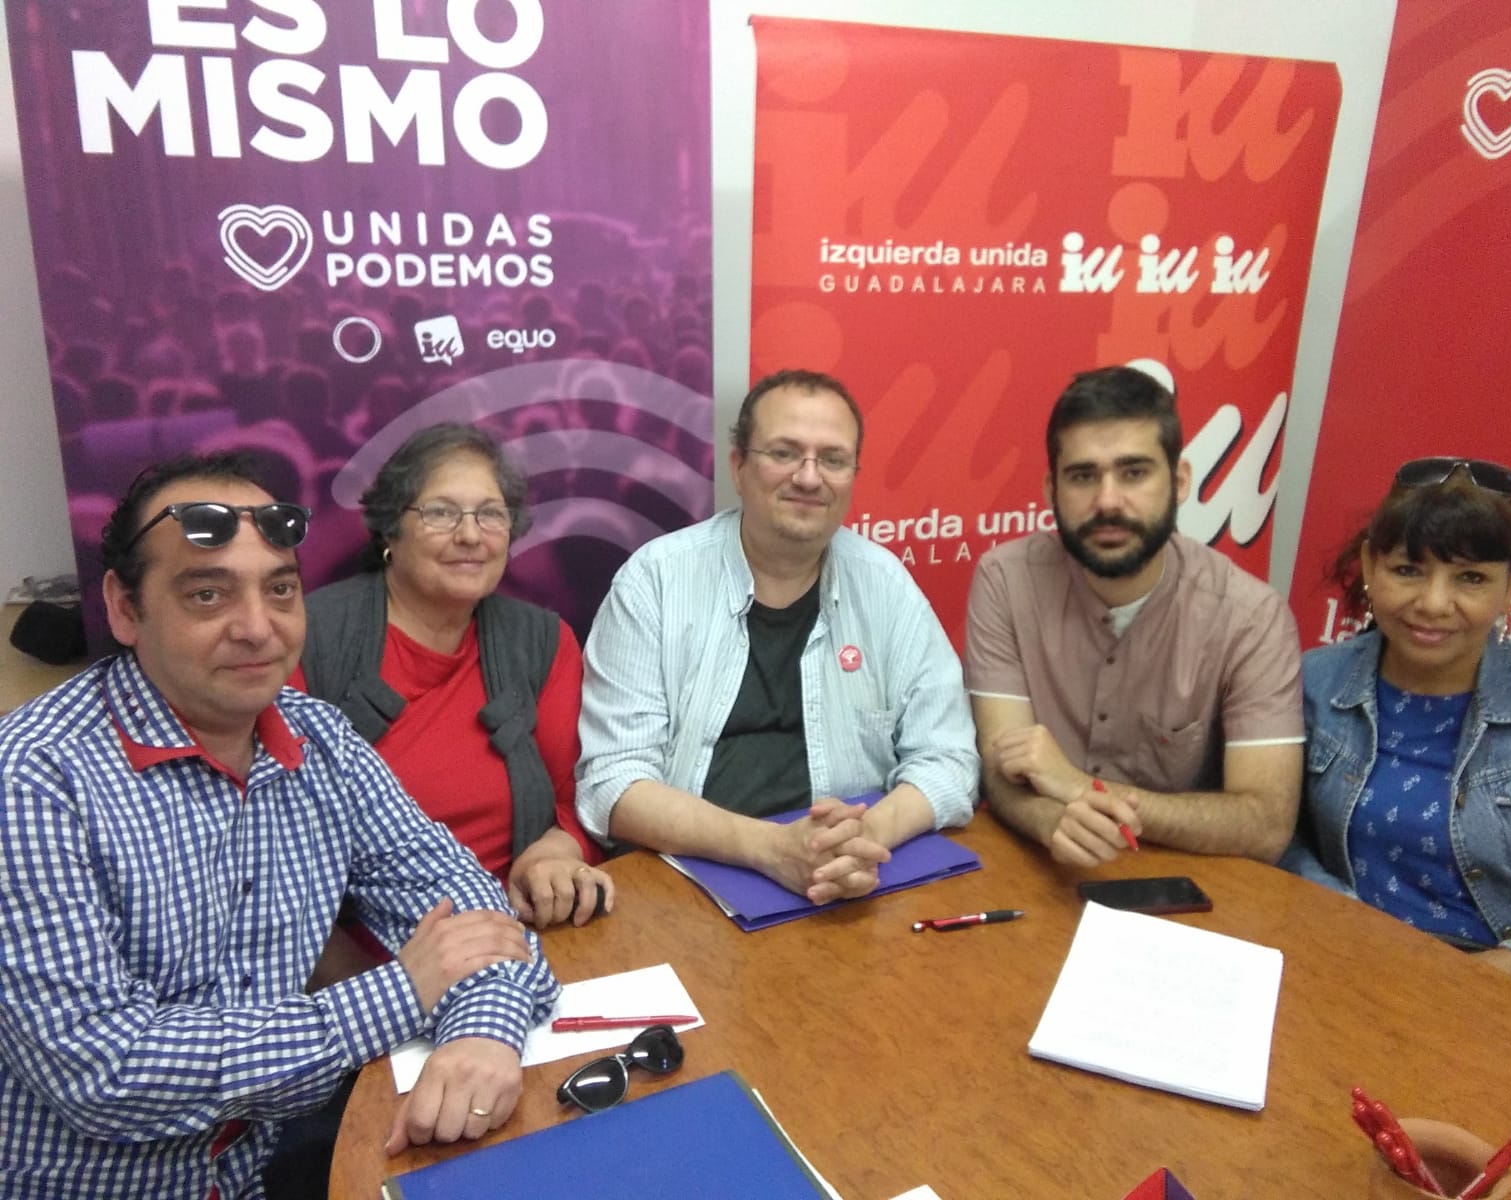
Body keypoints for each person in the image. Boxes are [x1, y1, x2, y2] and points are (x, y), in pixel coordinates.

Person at [0, 453, 559, 1200]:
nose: (258, 628)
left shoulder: (319, 737)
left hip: (264, 1166)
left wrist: (482, 1033)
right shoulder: (34, 778)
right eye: (207, 594)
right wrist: (402, 992)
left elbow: (474, 915)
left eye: (281, 589)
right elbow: (101, 1070)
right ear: (125, 609)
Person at [577, 368, 978, 901]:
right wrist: (770, 849)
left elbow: (949, 760)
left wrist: (860, 840)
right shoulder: (656, 581)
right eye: (785, 453)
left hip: (852, 878)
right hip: (688, 881)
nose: (809, 478)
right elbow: (613, 783)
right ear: (739, 465)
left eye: (832, 459)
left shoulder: (885, 584)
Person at [1282, 457, 1511, 1007]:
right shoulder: (1312, 682)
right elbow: (1283, 836)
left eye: (1470, 578)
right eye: (1408, 570)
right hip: (1349, 965)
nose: (1433, 604)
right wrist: (1343, 919)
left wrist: (1505, 972)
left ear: (1510, 585)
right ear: (1370, 565)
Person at [964, 364, 1304, 868]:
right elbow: (1001, 770)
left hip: (1188, 879)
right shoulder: (1005, 580)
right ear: (1051, 489)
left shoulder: (1252, 618)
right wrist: (1050, 820)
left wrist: (1078, 787)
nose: (1107, 501)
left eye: (1134, 473)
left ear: (1180, 480)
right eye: (1083, 476)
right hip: (1044, 866)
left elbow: (1266, 824)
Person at [296, 423, 612, 929]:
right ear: (390, 529)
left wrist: (554, 853)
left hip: (521, 928)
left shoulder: (543, 641)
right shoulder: (311, 637)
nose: (470, 535)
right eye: (441, 513)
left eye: (490, 514)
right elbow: (273, 840)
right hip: (362, 948)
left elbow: (577, 801)